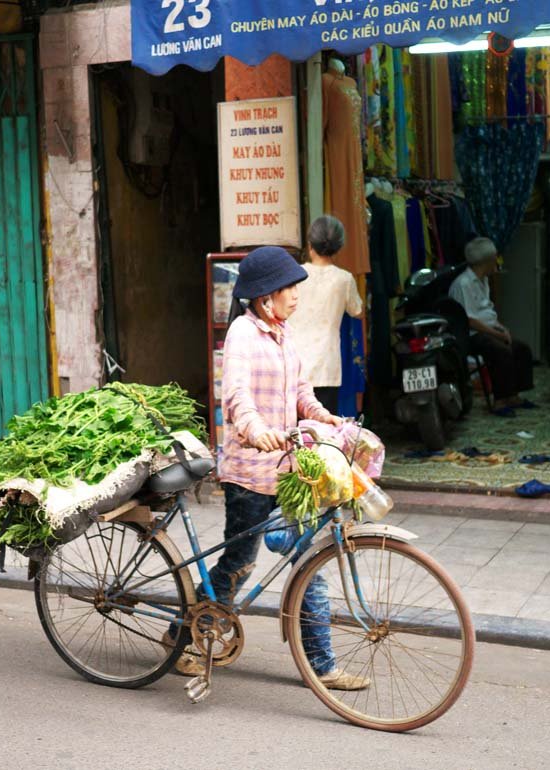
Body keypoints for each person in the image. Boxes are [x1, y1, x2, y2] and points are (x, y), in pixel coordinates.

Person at [173, 245, 370, 691]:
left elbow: (301, 391)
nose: (296, 296)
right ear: (265, 297)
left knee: (311, 560)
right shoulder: (243, 333)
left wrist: (327, 418)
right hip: (249, 471)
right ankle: (185, 639)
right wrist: (255, 429)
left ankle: (323, 668)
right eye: (290, 290)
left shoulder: (284, 334)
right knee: (239, 563)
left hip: (286, 469)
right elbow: (236, 394)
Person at [449, 237, 536, 415]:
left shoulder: (483, 280)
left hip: (487, 331)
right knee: (500, 350)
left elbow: (486, 312)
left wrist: (501, 328)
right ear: (487, 261)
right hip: (471, 335)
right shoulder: (463, 283)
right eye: (495, 258)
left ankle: (513, 395)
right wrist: (496, 334)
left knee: (521, 348)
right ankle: (500, 401)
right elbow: (470, 320)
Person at [287, 215, 364, 413]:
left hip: (294, 362)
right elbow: (357, 311)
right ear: (339, 247)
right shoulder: (344, 279)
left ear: (310, 244)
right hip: (326, 365)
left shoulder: (295, 274)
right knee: (324, 429)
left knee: (295, 428)